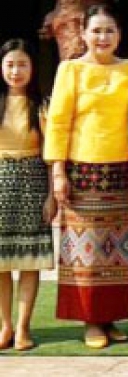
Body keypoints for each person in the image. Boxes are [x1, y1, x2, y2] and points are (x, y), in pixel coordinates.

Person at [44, 4, 128, 349]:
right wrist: (58, 173)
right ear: (83, 33)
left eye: (110, 31)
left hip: (122, 172)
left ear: (120, 36)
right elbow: (58, 122)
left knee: (117, 251)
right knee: (86, 252)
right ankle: (91, 321)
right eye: (96, 30)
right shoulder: (70, 70)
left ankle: (110, 317)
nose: (103, 37)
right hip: (82, 171)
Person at [0, 39, 54, 352]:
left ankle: (23, 328)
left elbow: (50, 154)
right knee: (2, 263)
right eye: (10, 64)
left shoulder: (42, 106)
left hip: (33, 183)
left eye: (22, 64)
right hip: (2, 185)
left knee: (29, 261)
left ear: (32, 68)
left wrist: (51, 195)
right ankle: (4, 325)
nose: (16, 71)